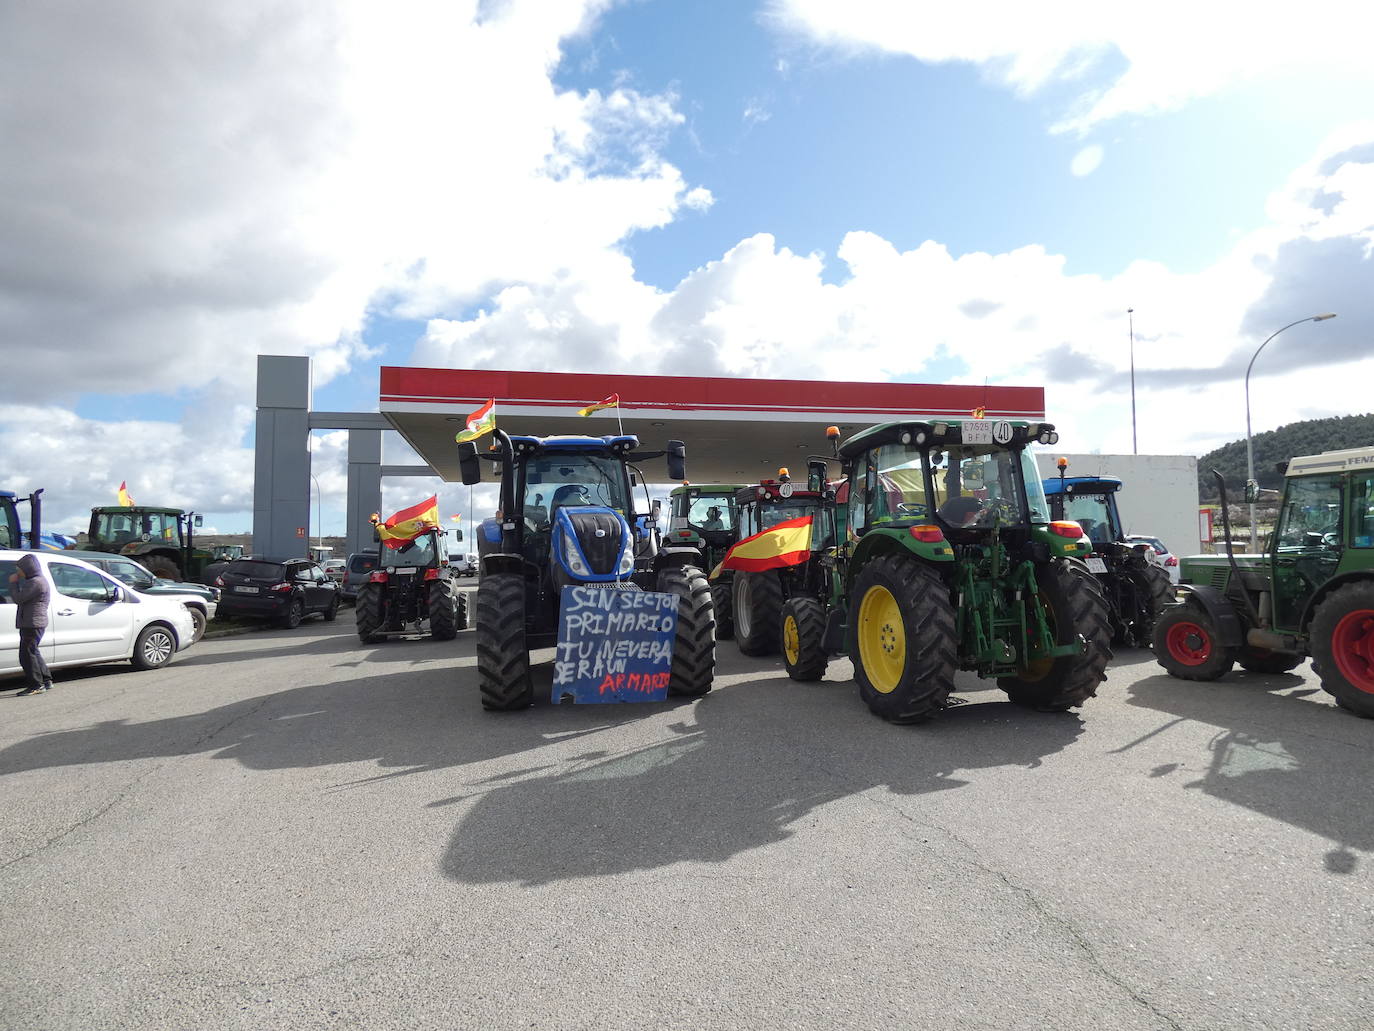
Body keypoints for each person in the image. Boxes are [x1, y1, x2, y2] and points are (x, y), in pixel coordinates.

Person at [8, 554, 53, 696]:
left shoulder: (35, 582)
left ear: (28, 568)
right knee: (33, 651)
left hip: (32, 623)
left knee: (26, 655)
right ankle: (46, 680)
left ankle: (36, 685)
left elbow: (18, 598)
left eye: (19, 569)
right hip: (33, 622)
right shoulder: (37, 580)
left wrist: (13, 583)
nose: (18, 572)